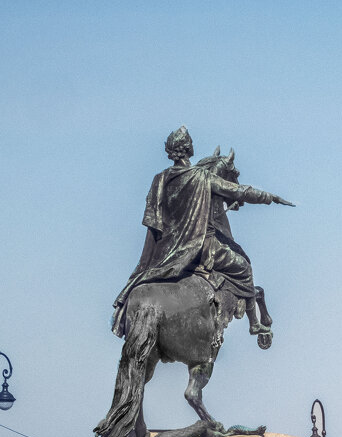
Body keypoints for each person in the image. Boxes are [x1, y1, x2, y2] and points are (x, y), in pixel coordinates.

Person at [111, 126, 293, 338]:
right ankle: (254, 324)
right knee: (244, 268)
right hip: (200, 247)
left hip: (165, 251)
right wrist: (270, 197)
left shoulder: (159, 180)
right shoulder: (201, 177)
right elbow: (238, 191)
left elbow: (154, 222)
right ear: (189, 148)